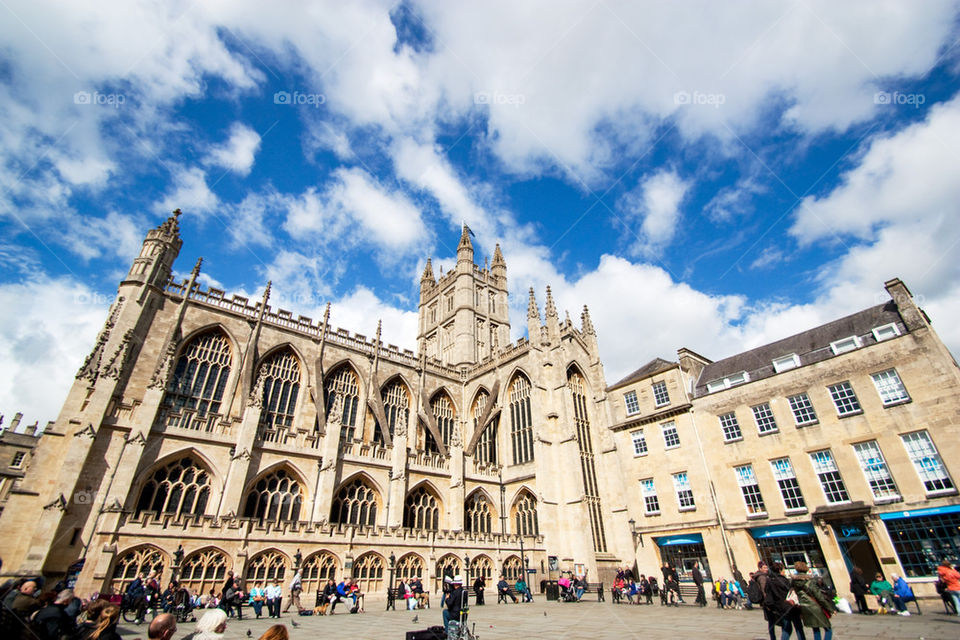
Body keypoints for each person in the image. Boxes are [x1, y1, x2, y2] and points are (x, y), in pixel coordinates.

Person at [791, 562, 834, 640]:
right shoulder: (809, 581)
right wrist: (830, 609)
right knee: (828, 629)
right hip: (815, 607)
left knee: (815, 629)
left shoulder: (794, 582)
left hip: (805, 607)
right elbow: (819, 597)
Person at [765, 562, 805, 640]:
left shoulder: (770, 581)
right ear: (780, 570)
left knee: (786, 628)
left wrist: (772, 607)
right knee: (798, 627)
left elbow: (769, 595)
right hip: (791, 606)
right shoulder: (784, 580)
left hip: (780, 608)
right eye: (783, 569)